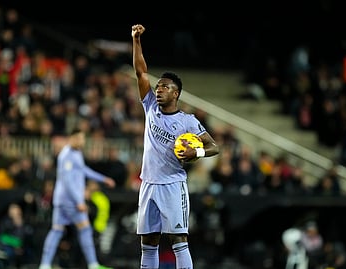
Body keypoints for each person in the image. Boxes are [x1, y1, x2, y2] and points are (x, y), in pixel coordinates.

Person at [131, 24, 220, 269]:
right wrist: (136, 40)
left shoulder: (188, 122)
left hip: (172, 184)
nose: (158, 89)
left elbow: (214, 147)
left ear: (176, 93)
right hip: (148, 182)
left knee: (179, 241)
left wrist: (196, 152)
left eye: (165, 87)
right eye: (158, 86)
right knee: (148, 242)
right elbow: (140, 72)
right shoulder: (149, 105)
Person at [38, 127, 116, 269]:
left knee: (57, 230)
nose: (82, 141)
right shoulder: (66, 155)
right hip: (69, 201)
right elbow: (67, 181)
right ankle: (93, 264)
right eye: (79, 138)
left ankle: (44, 265)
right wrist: (79, 201)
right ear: (71, 138)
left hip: (61, 200)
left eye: (83, 138)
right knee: (85, 230)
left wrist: (103, 179)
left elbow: (83, 169)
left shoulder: (76, 153)